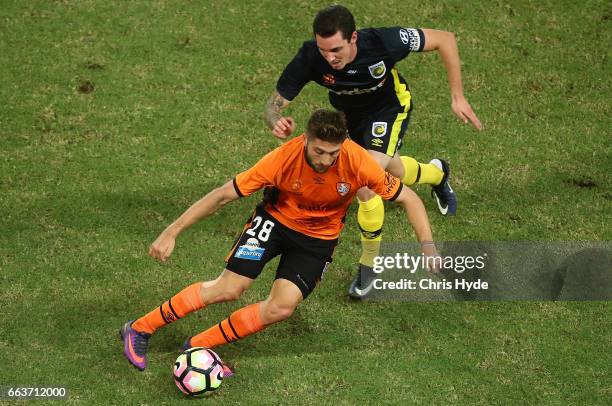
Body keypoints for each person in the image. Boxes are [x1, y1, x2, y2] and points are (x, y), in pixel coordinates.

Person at [120, 109, 439, 372]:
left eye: (333, 153)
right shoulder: (281, 160)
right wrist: (171, 231)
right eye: (319, 151)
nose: (326, 160)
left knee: (282, 307)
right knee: (229, 288)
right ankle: (140, 328)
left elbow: (409, 199)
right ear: (305, 141)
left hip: (318, 239)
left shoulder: (358, 163)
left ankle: (198, 347)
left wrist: (427, 246)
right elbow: (221, 196)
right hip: (274, 222)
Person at [264, 5, 482, 299]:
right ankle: (436, 173)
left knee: (364, 182)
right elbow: (273, 105)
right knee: (390, 169)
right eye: (323, 50)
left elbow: (445, 38)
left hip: (389, 110)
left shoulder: (383, 42)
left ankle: (370, 264)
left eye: (336, 49)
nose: (330, 58)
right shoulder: (310, 57)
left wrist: (457, 96)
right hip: (349, 120)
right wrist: (276, 119)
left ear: (353, 38)